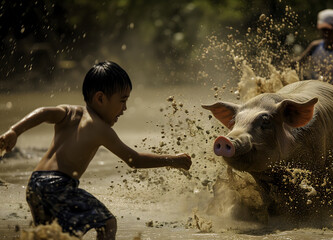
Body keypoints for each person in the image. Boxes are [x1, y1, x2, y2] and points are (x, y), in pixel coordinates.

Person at [0, 61, 192, 239]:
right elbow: (135, 160)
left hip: (35, 184)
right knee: (108, 223)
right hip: (58, 185)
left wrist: (14, 131)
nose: (125, 108)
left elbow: (43, 112)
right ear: (100, 98)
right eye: (122, 100)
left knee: (52, 236)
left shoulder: (69, 112)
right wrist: (172, 160)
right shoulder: (99, 128)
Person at [295, 9, 333, 87]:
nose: (326, 33)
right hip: (314, 86)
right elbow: (299, 63)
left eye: (329, 30)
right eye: (323, 30)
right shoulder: (314, 46)